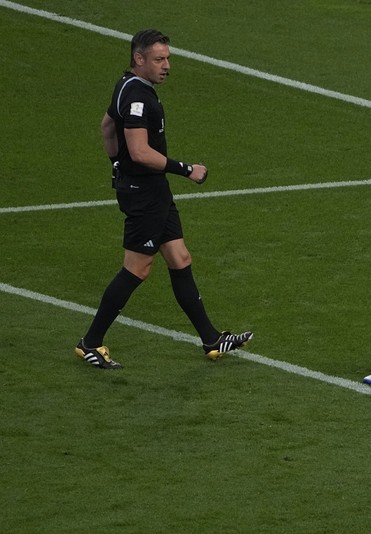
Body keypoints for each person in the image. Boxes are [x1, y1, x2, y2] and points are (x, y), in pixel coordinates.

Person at [74, 29, 252, 369]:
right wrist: (186, 169)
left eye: (168, 58)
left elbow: (107, 127)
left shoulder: (125, 85)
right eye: (159, 59)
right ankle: (90, 342)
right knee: (138, 268)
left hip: (152, 190)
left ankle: (211, 339)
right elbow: (140, 152)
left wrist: (115, 165)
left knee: (180, 257)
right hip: (145, 194)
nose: (167, 65)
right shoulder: (138, 97)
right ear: (138, 59)